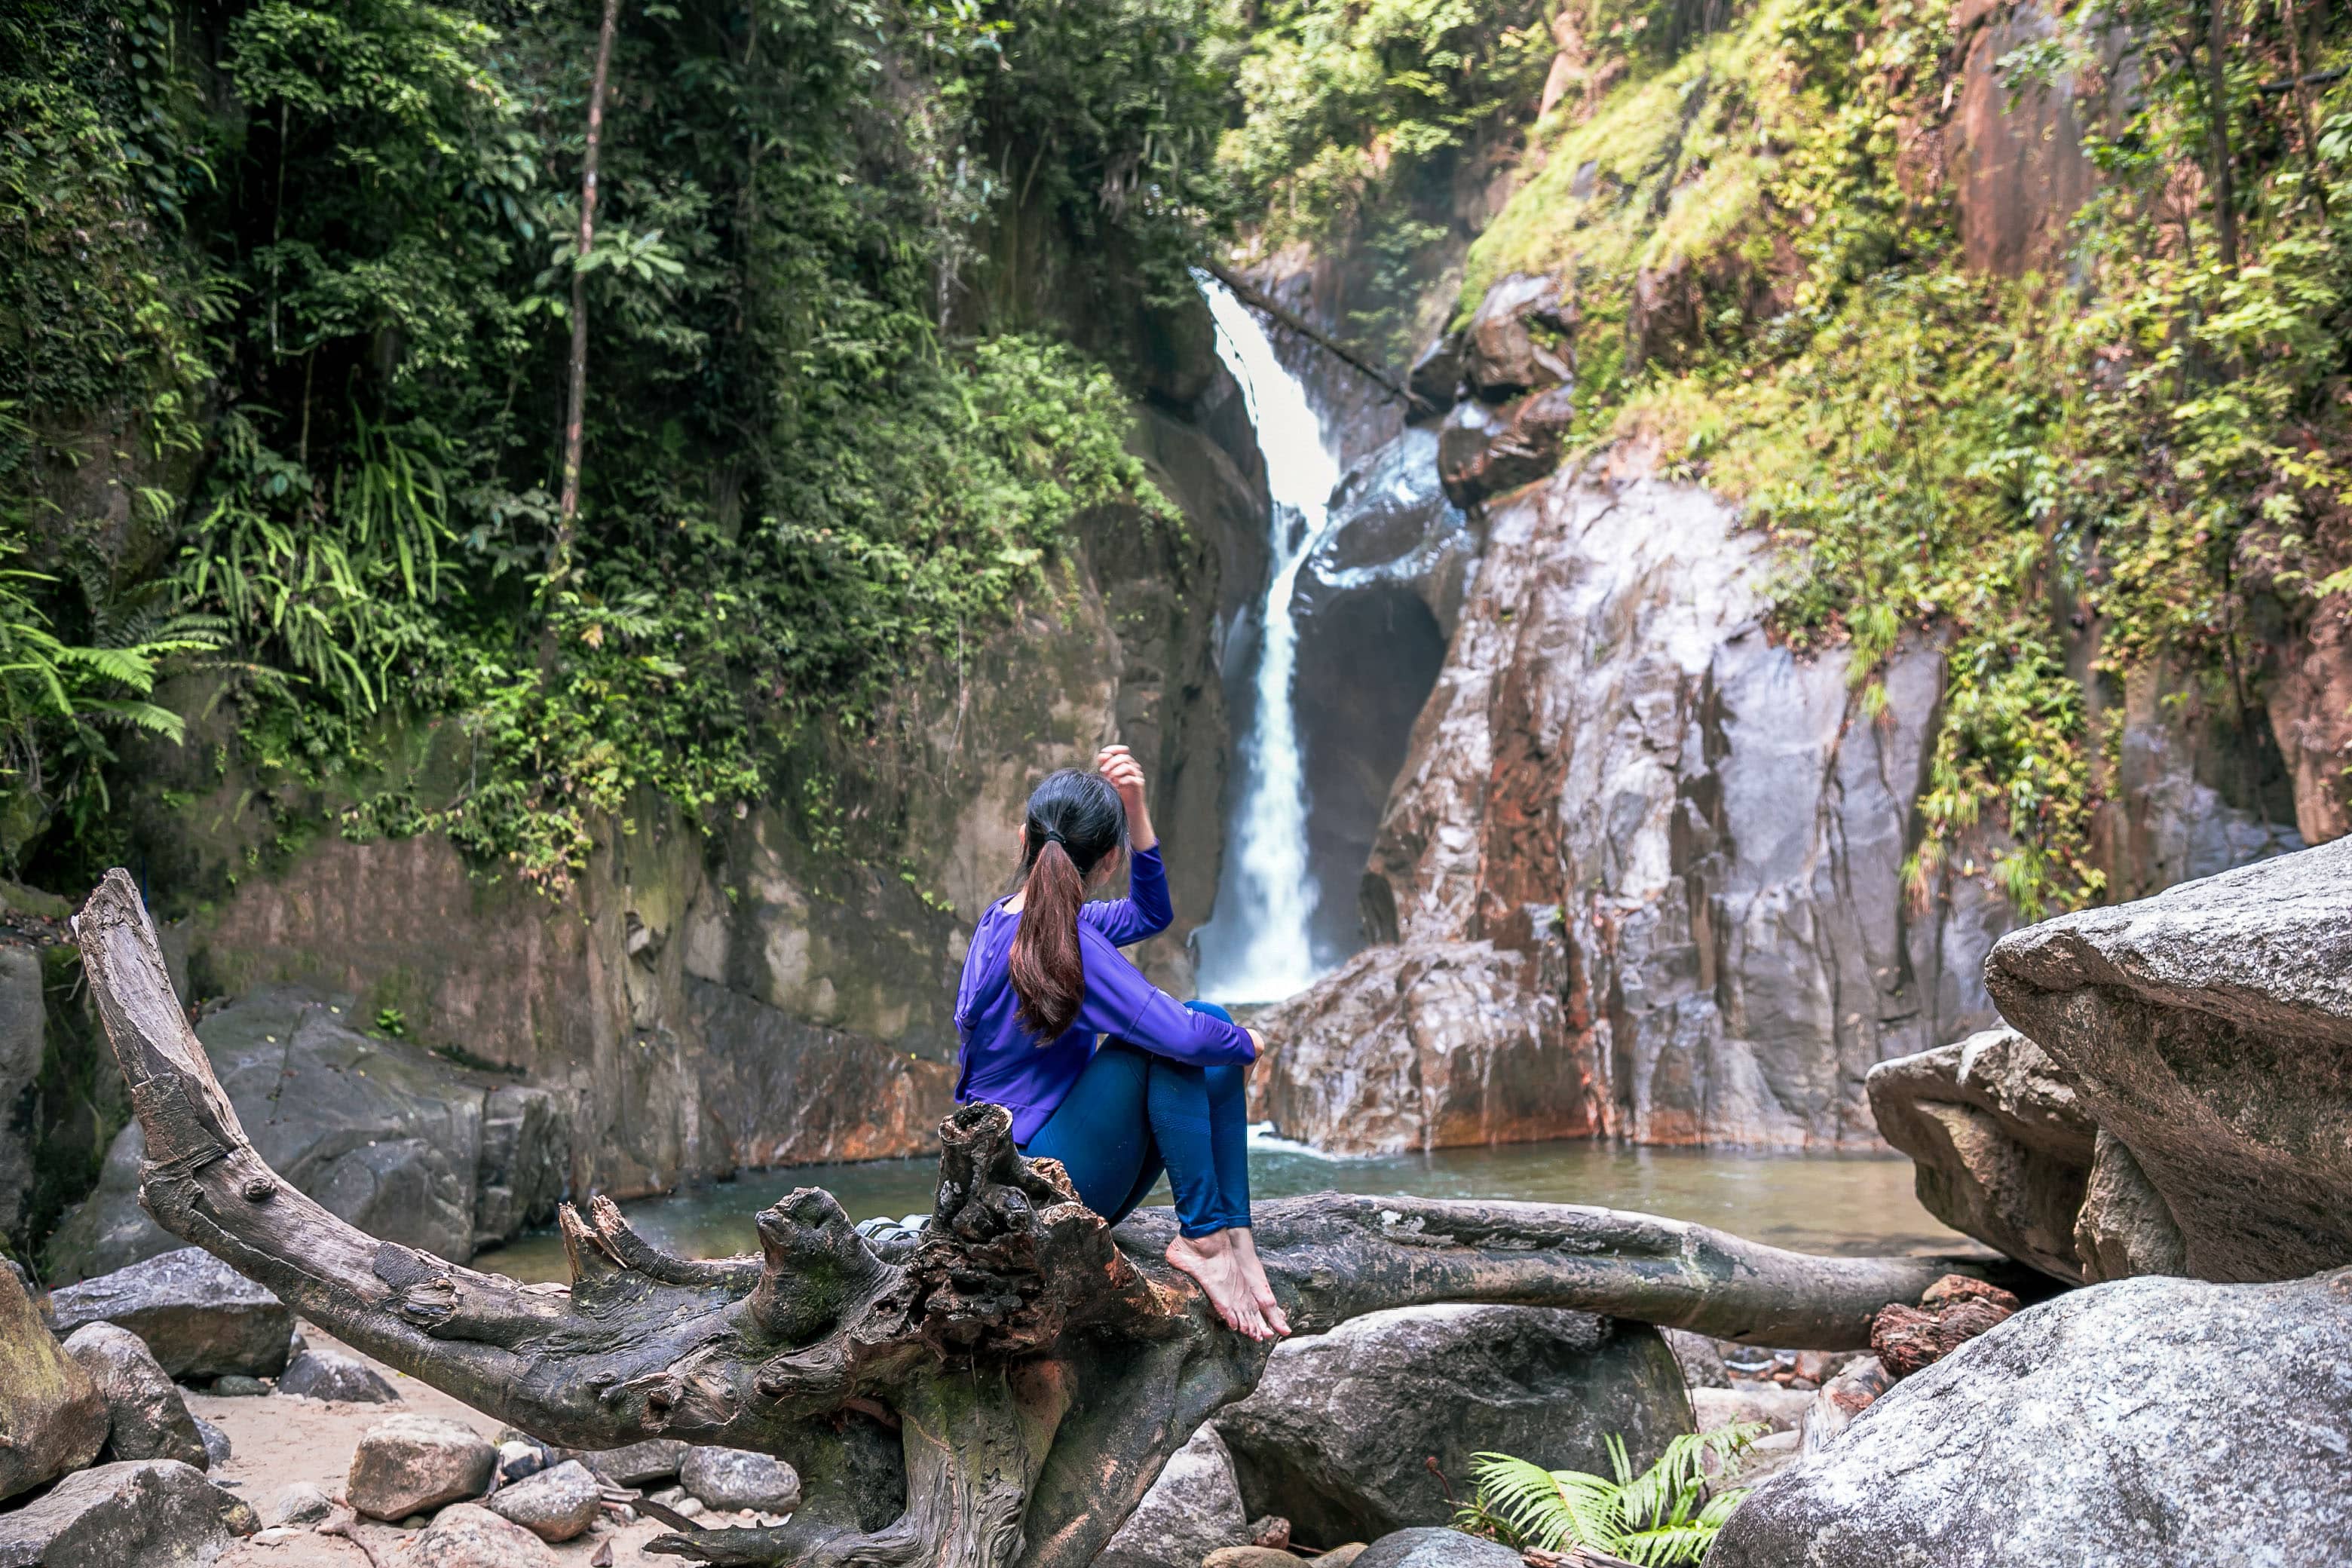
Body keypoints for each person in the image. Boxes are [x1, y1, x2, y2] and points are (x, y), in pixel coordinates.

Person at [952, 744, 1290, 1340]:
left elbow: (1150, 915)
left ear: (1022, 841)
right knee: (1194, 1034)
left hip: (1007, 1184)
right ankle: (1208, 1238)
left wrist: (1135, 808)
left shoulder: (1008, 919)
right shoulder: (1070, 944)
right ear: (1109, 861)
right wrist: (1247, 1041)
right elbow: (1184, 1036)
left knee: (1196, 1029)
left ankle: (1233, 1234)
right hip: (1033, 1194)